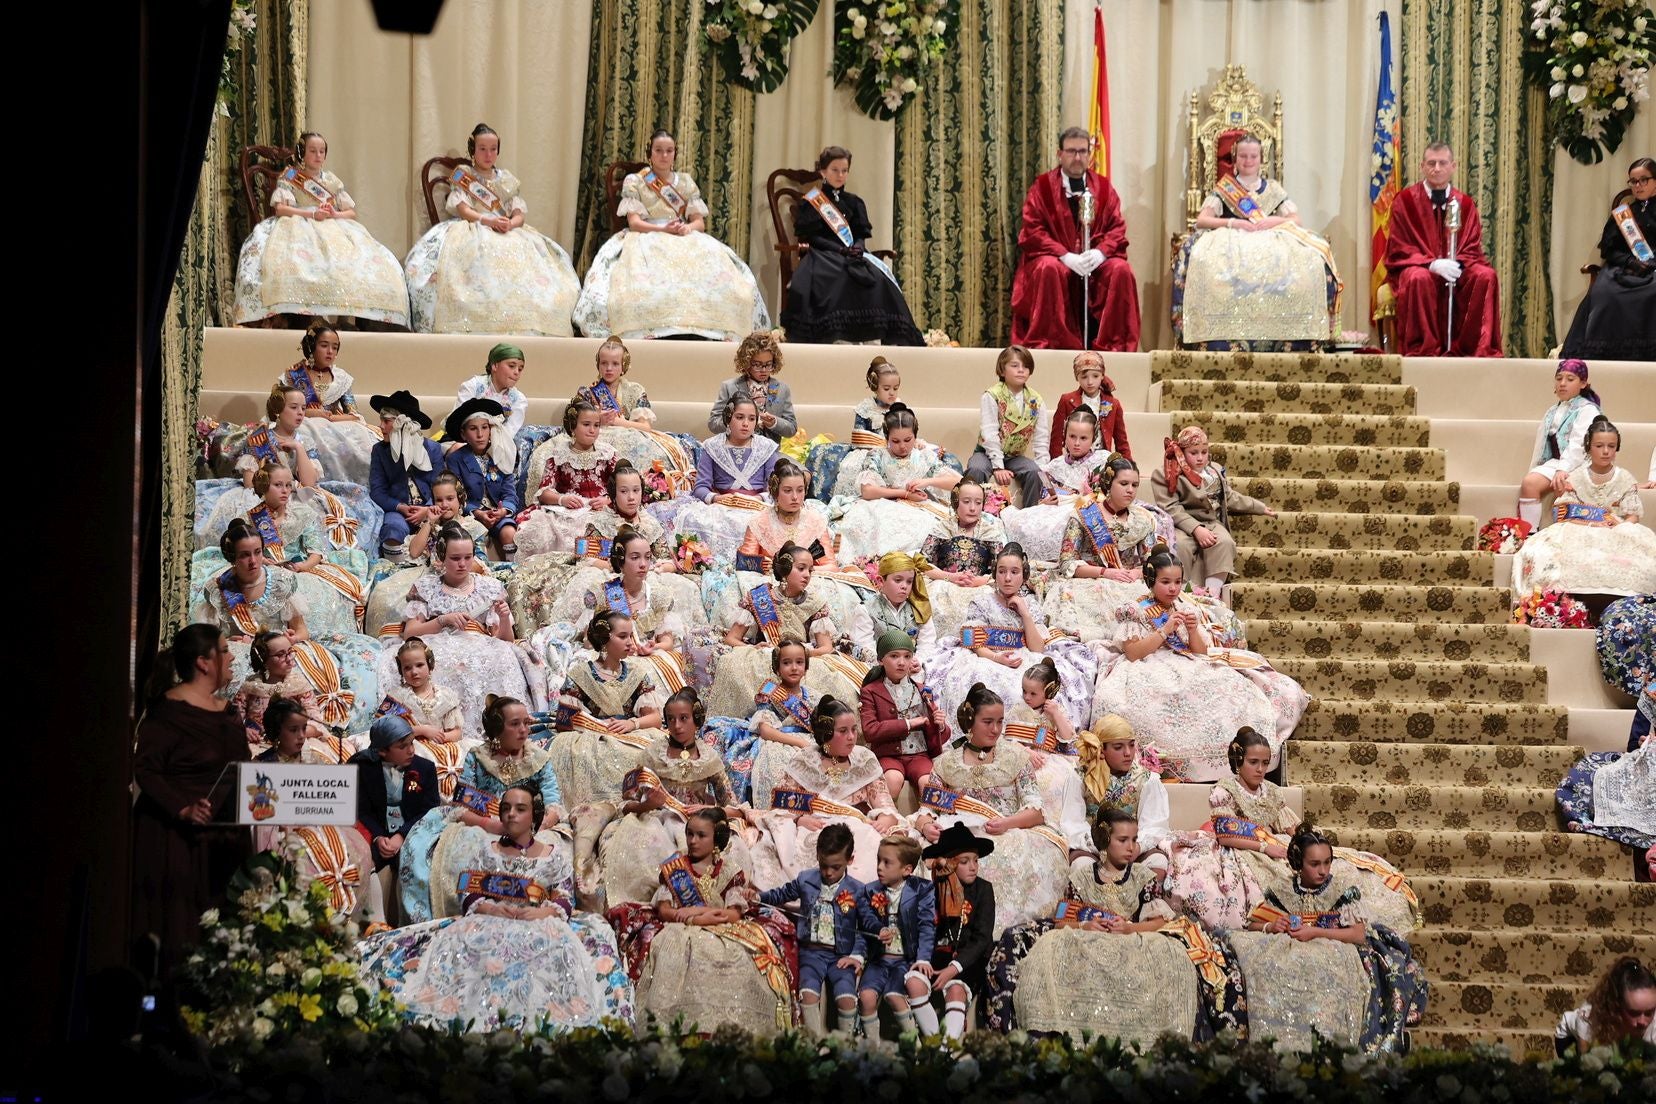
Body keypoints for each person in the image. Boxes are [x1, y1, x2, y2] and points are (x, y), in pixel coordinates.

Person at [357, 784, 633, 1032]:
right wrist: (488, 909)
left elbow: (563, 896)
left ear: (534, 817)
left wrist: (543, 912)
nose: (511, 814)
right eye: (506, 809)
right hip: (488, 920)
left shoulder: (552, 855)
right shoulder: (487, 851)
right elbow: (468, 892)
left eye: (520, 809)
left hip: (540, 923)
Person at [983, 811, 1244, 1041]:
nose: (1131, 847)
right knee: (1052, 947)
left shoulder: (1143, 877)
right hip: (1087, 942)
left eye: (1134, 839)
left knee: (1170, 958)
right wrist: (1086, 925)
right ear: (1106, 841)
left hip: (1133, 942)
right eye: (1123, 840)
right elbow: (1063, 920)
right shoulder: (1081, 878)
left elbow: (1161, 921)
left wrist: (1130, 929)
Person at [1161, 729, 1419, 937]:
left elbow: (1289, 825)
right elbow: (1225, 835)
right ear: (1238, 761)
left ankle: (1339, 918)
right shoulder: (1225, 789)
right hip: (1241, 848)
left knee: (1339, 867)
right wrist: (1265, 848)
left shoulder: (1271, 791)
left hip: (1277, 842)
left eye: (1264, 763)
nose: (1260, 769)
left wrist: (1304, 843)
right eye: (1253, 763)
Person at [1091, 549, 1307, 782]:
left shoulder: (1184, 607)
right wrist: (1164, 631)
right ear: (1150, 581)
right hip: (1147, 664)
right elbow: (1133, 653)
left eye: (1177, 582)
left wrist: (1193, 630)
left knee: (1226, 685)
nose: (1173, 588)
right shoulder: (1135, 610)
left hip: (1186, 662)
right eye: (1165, 582)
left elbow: (1200, 652)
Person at [1230, 822, 1428, 1053]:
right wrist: (1271, 926)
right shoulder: (1281, 888)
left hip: (1338, 945)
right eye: (1314, 864)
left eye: (1327, 863)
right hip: (1291, 948)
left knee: (1328, 970)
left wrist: (1315, 932)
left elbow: (1357, 933)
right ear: (1298, 864)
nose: (1323, 871)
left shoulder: (1343, 889)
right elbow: (1252, 924)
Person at [612, 808, 797, 1034]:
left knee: (738, 956)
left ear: (716, 838)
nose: (692, 841)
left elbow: (734, 913)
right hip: (679, 929)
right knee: (676, 955)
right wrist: (692, 918)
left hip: (723, 927)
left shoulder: (730, 870)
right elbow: (664, 909)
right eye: (690, 834)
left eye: (701, 835)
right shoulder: (676, 867)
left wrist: (703, 916)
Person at [131, 624, 248, 976]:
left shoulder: (227, 712)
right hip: (177, 841)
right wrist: (182, 806)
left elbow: (242, 771)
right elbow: (146, 769)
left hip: (224, 841)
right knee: (182, 936)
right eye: (224, 651)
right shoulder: (169, 711)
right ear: (203, 662)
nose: (231, 658)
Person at [575, 129, 770, 340]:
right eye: (659, 150)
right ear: (650, 153)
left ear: (675, 154)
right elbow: (635, 222)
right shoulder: (636, 180)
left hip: (683, 234)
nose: (664, 155)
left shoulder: (685, 182)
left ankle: (707, 329)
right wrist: (663, 229)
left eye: (669, 151)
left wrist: (687, 228)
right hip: (646, 235)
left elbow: (699, 223)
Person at [398, 694, 570, 925]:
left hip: (531, 826)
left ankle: (533, 912)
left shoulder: (539, 758)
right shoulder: (478, 757)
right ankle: (469, 911)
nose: (523, 730)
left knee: (553, 847)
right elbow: (463, 802)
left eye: (526, 723)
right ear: (498, 728)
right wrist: (492, 824)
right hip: (483, 822)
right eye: (514, 724)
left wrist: (535, 827)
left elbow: (553, 803)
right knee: (461, 848)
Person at [912, 684, 1070, 934]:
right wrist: (927, 826)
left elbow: (1036, 811)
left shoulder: (1017, 757)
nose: (996, 729)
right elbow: (926, 810)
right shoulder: (947, 763)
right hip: (958, 833)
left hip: (1006, 831)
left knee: (994, 857)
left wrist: (1007, 824)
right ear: (969, 721)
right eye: (987, 721)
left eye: (1000, 721)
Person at [403, 123, 580, 335]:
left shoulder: (506, 180)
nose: (488, 154)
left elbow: (518, 213)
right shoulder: (464, 175)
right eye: (482, 149)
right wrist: (487, 221)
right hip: (474, 227)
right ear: (473, 150)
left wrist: (510, 223)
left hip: (507, 230)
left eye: (493, 149)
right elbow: (463, 209)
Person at [1173, 135, 1341, 350]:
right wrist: (1234, 223)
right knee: (1204, 259)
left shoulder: (1273, 189)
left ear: (1261, 159)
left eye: (1253, 156)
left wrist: (1274, 220)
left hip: (1271, 237)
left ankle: (1301, 334)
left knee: (1310, 258)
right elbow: (1202, 220)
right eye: (1243, 156)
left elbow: (1295, 220)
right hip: (1231, 239)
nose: (1248, 160)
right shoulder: (1225, 188)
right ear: (1235, 158)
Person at [233, 131, 410, 329]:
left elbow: (351, 213)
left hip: (332, 224)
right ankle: (306, 319)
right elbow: (281, 209)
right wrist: (311, 214)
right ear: (302, 153)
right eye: (312, 151)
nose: (318, 156)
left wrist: (334, 213)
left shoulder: (332, 181)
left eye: (322, 151)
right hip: (297, 223)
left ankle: (356, 319)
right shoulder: (291, 176)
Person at [919, 544, 1098, 735]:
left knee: (1035, 686)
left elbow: (1037, 648)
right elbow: (974, 643)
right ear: (995, 574)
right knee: (982, 684)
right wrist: (996, 658)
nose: (1007, 578)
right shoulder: (982, 603)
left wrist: (1025, 614)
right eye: (1002, 571)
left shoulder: (1030, 604)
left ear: (1024, 575)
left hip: (1025, 655)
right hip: (987, 656)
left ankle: (1030, 738)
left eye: (1014, 572)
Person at [585, 688, 738, 910]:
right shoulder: (652, 755)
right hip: (655, 820)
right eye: (671, 720)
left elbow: (730, 805)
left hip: (698, 822)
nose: (677, 726)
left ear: (697, 719)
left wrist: (708, 809)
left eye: (684, 718)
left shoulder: (709, 757)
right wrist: (648, 805)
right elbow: (626, 803)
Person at [387, 522, 539, 739]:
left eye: (468, 557)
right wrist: (442, 620)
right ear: (442, 557)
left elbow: (505, 639)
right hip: (438, 642)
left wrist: (504, 618)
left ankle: (499, 730)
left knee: (503, 658)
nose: (462, 564)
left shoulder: (490, 587)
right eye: (455, 558)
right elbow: (410, 634)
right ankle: (447, 731)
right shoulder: (427, 587)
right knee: (446, 665)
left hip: (482, 642)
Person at [745, 696, 903, 891]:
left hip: (858, 828)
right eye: (843, 731)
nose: (852, 737)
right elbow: (782, 806)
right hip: (815, 829)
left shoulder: (865, 759)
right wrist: (798, 820)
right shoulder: (804, 761)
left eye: (854, 729)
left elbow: (884, 803)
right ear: (826, 734)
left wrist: (886, 818)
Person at [1010, 126, 1141, 351]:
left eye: (1083, 151)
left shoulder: (1103, 187)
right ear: (1060, 154)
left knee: (1121, 270)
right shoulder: (1041, 188)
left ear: (1090, 154)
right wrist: (1064, 256)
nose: (1078, 157)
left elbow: (1117, 228)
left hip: (1093, 262)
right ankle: (1052, 345)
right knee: (1048, 268)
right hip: (1058, 261)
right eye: (1071, 151)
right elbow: (1032, 230)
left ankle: (1114, 346)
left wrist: (1100, 253)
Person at [779, 145, 923, 346]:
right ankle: (838, 336)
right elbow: (812, 238)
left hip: (853, 253)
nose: (840, 175)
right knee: (836, 277)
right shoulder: (812, 202)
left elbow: (861, 233)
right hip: (824, 254)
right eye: (834, 170)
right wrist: (839, 249)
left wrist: (857, 246)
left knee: (878, 278)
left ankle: (871, 335)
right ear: (823, 172)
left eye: (844, 170)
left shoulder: (855, 202)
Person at [1513, 416, 1656, 603]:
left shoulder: (1625, 478)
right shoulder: (1576, 476)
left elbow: (1632, 515)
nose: (1605, 451)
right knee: (1544, 554)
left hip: (1616, 531)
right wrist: (1592, 523)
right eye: (1599, 446)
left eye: (1611, 446)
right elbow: (1563, 513)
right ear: (1589, 447)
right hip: (1579, 529)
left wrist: (1618, 527)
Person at [1384, 142, 1503, 357]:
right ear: (1422, 166)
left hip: (1457, 266)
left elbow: (1472, 245)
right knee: (1418, 278)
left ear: (1453, 166)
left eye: (1442, 163)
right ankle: (1423, 350)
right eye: (1431, 163)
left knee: (1486, 276)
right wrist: (1431, 263)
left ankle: (1475, 350)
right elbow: (1398, 247)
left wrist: (1458, 263)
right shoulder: (1405, 201)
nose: (1436, 168)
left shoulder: (1464, 203)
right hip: (1419, 266)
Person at [759, 823, 867, 1037]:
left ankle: (845, 1046)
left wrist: (857, 956)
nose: (828, 872)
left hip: (842, 956)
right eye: (823, 865)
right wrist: (757, 898)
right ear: (817, 855)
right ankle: (813, 1044)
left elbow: (863, 929)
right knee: (807, 994)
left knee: (846, 997)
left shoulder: (858, 890)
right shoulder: (806, 878)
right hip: (811, 953)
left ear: (850, 860)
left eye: (836, 867)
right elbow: (781, 895)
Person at [548, 612, 663, 808]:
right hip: (591, 734)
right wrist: (597, 726)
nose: (630, 642)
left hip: (630, 732)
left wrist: (632, 723)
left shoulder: (637, 674)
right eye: (622, 636)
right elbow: (565, 720)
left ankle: (639, 804)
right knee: (583, 754)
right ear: (604, 639)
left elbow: (655, 718)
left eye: (630, 636)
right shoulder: (580, 674)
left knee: (651, 752)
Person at [1150, 424, 1275, 597]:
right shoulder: (1168, 472)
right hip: (1182, 523)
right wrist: (1196, 529)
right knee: (1181, 546)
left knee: (1224, 542)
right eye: (1194, 453)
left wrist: (1258, 507)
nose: (1200, 458)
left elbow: (1229, 497)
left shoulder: (1214, 470)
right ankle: (1181, 593)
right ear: (1182, 452)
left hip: (1210, 521)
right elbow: (1171, 507)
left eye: (1204, 452)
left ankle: (1212, 593)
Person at [828, 405, 958, 564]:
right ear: (887, 438)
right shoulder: (878, 455)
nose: (902, 446)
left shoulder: (922, 456)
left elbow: (957, 483)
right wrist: (903, 493)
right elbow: (867, 491)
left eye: (908, 440)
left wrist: (927, 481)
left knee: (930, 528)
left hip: (920, 507)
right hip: (882, 503)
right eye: (895, 441)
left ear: (915, 436)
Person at [349, 713, 441, 927]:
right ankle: (376, 924)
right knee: (361, 861)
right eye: (402, 746)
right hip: (378, 833)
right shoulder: (364, 768)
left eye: (412, 743)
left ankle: (416, 923)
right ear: (382, 751)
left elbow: (429, 810)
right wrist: (378, 837)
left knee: (418, 861)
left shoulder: (424, 769)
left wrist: (401, 835)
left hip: (411, 833)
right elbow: (361, 810)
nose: (411, 750)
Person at [1561, 157, 1655, 362]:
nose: (1638, 186)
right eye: (1633, 181)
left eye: (1643, 180)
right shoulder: (1624, 214)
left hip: (1653, 268)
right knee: (1605, 291)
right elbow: (1609, 249)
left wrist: (1649, 264)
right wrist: (1629, 262)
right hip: (1623, 267)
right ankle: (1604, 354)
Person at [854, 834, 939, 1039]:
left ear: (907, 870)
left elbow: (927, 926)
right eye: (878, 861)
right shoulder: (870, 890)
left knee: (894, 995)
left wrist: (923, 958)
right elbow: (864, 924)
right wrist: (864, 947)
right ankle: (872, 1049)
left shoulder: (922, 889)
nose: (880, 867)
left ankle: (914, 1045)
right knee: (866, 996)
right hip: (879, 960)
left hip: (904, 960)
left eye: (887, 863)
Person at [679, 395, 780, 563]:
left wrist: (757, 498)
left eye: (752, 418)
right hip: (722, 505)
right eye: (740, 417)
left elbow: (776, 487)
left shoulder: (766, 447)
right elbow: (700, 486)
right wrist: (717, 498)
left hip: (757, 505)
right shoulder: (712, 446)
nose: (746, 423)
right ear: (728, 418)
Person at [515, 398, 617, 559]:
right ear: (572, 426)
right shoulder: (559, 454)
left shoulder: (607, 453)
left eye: (596, 425)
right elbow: (544, 492)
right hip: (571, 511)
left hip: (601, 508)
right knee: (545, 529)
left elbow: (622, 485)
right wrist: (562, 499)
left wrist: (608, 500)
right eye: (586, 424)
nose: (592, 430)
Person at [921, 825, 996, 1040]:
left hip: (969, 961)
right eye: (964, 862)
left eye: (975, 860)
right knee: (915, 982)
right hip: (939, 955)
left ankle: (948, 1047)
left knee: (956, 991)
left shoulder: (983, 890)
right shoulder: (936, 889)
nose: (973, 867)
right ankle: (933, 1040)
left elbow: (982, 938)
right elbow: (929, 930)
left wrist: (953, 969)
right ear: (949, 864)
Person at [282, 321, 380, 486]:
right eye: (324, 345)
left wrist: (331, 418)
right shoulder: (294, 375)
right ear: (312, 346)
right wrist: (311, 413)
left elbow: (354, 415)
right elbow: (281, 408)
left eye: (334, 347)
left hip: (334, 425)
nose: (330, 352)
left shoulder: (341, 378)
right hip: (302, 423)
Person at [1516, 360, 1605, 534]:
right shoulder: (1551, 411)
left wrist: (1563, 469)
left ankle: (1567, 535)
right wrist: (1536, 469)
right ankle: (1529, 533)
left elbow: (1579, 445)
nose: (1562, 383)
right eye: (1559, 378)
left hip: (1581, 464)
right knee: (1529, 483)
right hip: (1556, 462)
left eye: (1570, 379)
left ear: (1583, 383)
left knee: (1564, 486)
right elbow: (1541, 446)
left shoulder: (1587, 410)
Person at [860, 631, 948, 801]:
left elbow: (940, 736)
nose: (901, 662)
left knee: (930, 784)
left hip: (920, 755)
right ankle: (887, 821)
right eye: (894, 656)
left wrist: (941, 725)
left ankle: (927, 822)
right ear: (880, 660)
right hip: (889, 755)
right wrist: (909, 723)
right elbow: (870, 730)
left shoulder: (923, 690)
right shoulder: (870, 691)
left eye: (907, 656)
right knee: (893, 779)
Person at [194, 519, 308, 642]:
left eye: (258, 552)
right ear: (232, 558)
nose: (253, 561)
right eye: (245, 555)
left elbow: (302, 631)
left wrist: (293, 639)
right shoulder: (218, 590)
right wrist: (226, 643)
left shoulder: (280, 582)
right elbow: (207, 643)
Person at [965, 346, 1049, 509]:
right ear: (1002, 371)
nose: (1021, 370)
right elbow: (989, 432)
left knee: (1034, 472)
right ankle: (970, 516)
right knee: (976, 469)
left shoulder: (1036, 400)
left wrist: (1043, 469)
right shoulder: (992, 395)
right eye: (1015, 366)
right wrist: (998, 466)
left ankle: (1029, 518)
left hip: (1015, 456)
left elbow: (1041, 438)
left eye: (1025, 366)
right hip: (987, 454)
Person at [367, 391, 445, 559]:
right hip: (399, 510)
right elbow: (377, 491)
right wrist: (400, 507)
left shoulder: (432, 449)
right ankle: (394, 571)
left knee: (446, 530)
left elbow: (441, 486)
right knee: (392, 527)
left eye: (386, 421)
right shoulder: (380, 451)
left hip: (431, 509)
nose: (380, 426)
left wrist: (427, 509)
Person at [1076, 715, 1169, 850]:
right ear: (1101, 749)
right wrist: (1101, 846)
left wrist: (1135, 847)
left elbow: (1154, 825)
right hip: (1093, 849)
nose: (1128, 753)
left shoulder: (1147, 779)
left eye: (1131, 745)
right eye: (1118, 747)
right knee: (1081, 863)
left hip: (1132, 850)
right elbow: (1073, 823)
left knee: (1157, 860)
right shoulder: (1080, 777)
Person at [442, 397, 520, 557]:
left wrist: (504, 510)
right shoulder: (455, 459)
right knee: (474, 534)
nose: (480, 434)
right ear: (463, 434)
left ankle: (511, 569)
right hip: (472, 516)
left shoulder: (500, 455)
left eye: (484, 427)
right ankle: (481, 572)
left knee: (509, 532)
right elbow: (458, 496)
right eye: (473, 429)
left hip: (498, 514)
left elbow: (510, 492)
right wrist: (477, 513)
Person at [707, 332, 797, 444]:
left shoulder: (782, 389)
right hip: (736, 450)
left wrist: (774, 423)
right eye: (757, 365)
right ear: (746, 363)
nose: (764, 370)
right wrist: (734, 421)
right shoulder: (729, 387)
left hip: (770, 453)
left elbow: (792, 428)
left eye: (768, 364)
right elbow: (713, 424)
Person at [1555, 956, 1656, 1055]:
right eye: (1634, 1013)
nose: (1643, 1022)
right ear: (1616, 1005)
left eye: (1649, 1013)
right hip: (1570, 1039)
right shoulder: (1591, 1018)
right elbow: (1588, 1065)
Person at [851, 554, 940, 660]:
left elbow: (928, 643)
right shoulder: (866, 610)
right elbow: (865, 648)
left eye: (909, 581)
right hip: (880, 669)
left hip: (914, 668)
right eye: (898, 580)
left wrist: (918, 661)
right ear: (880, 581)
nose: (904, 586)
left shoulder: (919, 608)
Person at [1048, 352, 1130, 459]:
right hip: (1073, 459)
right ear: (1077, 377)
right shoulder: (1066, 400)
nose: (1090, 382)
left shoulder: (1113, 404)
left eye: (1095, 376)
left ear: (1102, 376)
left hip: (1101, 460)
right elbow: (1056, 439)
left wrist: (1129, 467)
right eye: (1084, 377)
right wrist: (1056, 465)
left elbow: (1121, 442)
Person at [455, 342, 530, 443]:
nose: (517, 372)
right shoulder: (473, 386)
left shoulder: (519, 399)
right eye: (512, 366)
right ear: (495, 365)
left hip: (498, 445)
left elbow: (509, 433)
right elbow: (459, 420)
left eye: (520, 369)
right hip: (464, 440)